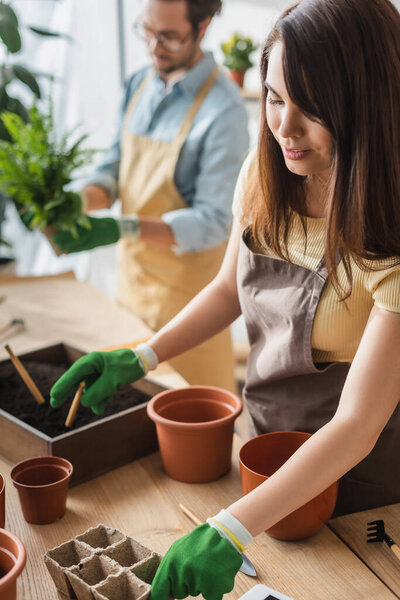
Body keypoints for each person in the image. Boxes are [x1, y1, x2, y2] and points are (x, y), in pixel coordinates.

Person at [51, 0, 400, 598]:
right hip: (261, 453)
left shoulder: (389, 227)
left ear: (366, 103)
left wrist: (230, 532)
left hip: (353, 486)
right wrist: (141, 357)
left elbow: (357, 423)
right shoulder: (266, 173)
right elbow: (226, 292)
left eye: (311, 108)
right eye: (274, 97)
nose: (284, 127)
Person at [52, 0, 249, 392]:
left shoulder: (223, 110)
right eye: (147, 31)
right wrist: (77, 202)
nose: (155, 47)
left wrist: (121, 227)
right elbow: (113, 170)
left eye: (170, 37)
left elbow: (214, 223)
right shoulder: (138, 84)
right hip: (131, 294)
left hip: (189, 311)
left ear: (203, 26)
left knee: (192, 433)